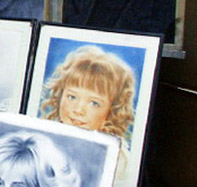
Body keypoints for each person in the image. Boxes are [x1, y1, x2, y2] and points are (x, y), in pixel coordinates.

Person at [41, 45, 135, 178]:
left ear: (113, 110)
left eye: (94, 103)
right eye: (72, 97)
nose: (78, 110)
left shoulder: (117, 157)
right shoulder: (45, 139)